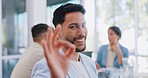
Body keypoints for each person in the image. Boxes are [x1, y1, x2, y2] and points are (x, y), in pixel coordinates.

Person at [32, 3, 98, 78]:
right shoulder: (45, 66)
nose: (82, 33)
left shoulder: (90, 62)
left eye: (83, 26)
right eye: (73, 27)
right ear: (58, 32)